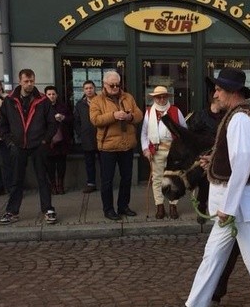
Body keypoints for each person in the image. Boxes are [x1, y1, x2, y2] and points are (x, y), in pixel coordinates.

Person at [165, 67, 250, 307]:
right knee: (212, 255)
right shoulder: (235, 116)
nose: (216, 94)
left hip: (239, 208)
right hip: (235, 207)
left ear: (232, 92)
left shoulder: (241, 119)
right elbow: (234, 156)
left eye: (219, 89)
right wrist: (215, 160)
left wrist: (228, 208)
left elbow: (243, 164)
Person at [0, 69, 58, 225]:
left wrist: (45, 141)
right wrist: (10, 142)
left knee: (43, 178)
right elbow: (2, 125)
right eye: (26, 81)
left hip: (38, 145)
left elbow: (52, 123)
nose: (29, 84)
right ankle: (12, 211)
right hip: (17, 146)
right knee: (16, 180)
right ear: (20, 81)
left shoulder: (43, 101)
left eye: (32, 81)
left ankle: (48, 209)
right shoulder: (10, 101)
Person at [90, 70, 143, 221]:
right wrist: (113, 116)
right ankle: (108, 209)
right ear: (105, 84)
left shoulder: (128, 97)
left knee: (126, 178)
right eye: (111, 85)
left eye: (117, 85)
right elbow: (95, 120)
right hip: (108, 146)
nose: (115, 87)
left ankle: (123, 206)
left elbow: (139, 115)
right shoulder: (97, 100)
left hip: (127, 145)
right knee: (107, 180)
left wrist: (130, 116)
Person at [140, 85, 186, 219]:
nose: (161, 99)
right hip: (156, 151)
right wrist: (145, 149)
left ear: (167, 97)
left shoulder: (175, 111)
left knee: (173, 179)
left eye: (163, 96)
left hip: (173, 151)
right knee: (157, 179)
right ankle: (159, 206)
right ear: (154, 98)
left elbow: (184, 130)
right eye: (158, 97)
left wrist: (182, 148)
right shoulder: (149, 112)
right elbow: (144, 133)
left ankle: (173, 205)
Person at [186, 96, 225, 223]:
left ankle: (218, 208)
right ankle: (201, 207)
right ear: (215, 102)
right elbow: (192, 134)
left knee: (216, 182)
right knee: (204, 183)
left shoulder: (224, 116)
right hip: (204, 154)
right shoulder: (201, 115)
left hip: (218, 154)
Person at [44, 85, 73, 195]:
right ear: (45, 95)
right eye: (49, 94)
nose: (51, 96)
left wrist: (63, 118)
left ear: (57, 95)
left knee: (61, 163)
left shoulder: (63, 106)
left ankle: (60, 184)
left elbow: (71, 119)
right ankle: (52, 185)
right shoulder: (42, 107)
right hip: (49, 140)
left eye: (53, 94)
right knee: (50, 165)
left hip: (62, 140)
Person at [74, 80, 99, 193]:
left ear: (94, 89)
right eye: (86, 88)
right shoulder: (80, 104)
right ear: (83, 90)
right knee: (89, 162)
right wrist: (80, 133)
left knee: (104, 162)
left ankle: (105, 182)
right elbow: (76, 121)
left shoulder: (101, 101)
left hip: (101, 137)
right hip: (87, 138)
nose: (89, 90)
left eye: (91, 88)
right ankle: (91, 183)